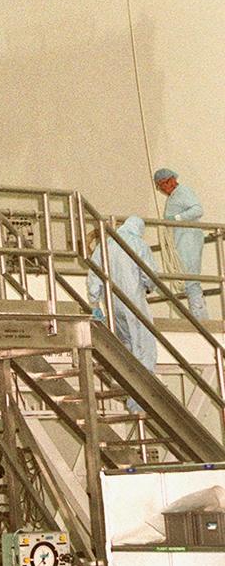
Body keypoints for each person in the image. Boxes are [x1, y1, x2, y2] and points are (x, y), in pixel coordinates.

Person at [87, 215, 158, 414]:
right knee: (143, 348)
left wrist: (94, 302)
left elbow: (94, 275)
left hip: (114, 305)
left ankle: (125, 387)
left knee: (125, 345)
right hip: (134, 302)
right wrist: (149, 287)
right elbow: (149, 275)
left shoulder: (106, 245)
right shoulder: (137, 243)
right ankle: (140, 399)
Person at [154, 168, 208, 320]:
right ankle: (198, 315)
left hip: (188, 239)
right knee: (188, 279)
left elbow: (198, 210)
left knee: (190, 279)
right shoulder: (174, 196)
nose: (162, 189)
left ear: (171, 180)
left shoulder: (183, 191)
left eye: (162, 185)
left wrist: (176, 218)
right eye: (159, 186)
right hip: (182, 240)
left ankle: (200, 318)